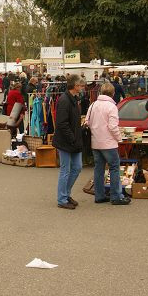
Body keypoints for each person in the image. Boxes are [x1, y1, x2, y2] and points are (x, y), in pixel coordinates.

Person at [87, 82, 128, 205]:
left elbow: (87, 122)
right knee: (114, 168)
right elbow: (112, 126)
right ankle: (116, 196)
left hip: (95, 141)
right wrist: (119, 138)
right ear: (113, 93)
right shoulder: (111, 107)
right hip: (108, 143)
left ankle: (99, 195)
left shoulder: (93, 105)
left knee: (98, 169)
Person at [53, 74, 85, 209]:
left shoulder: (73, 99)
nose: (83, 88)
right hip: (66, 141)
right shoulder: (65, 100)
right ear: (75, 86)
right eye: (81, 85)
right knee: (65, 170)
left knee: (77, 167)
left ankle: (65, 194)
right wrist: (72, 138)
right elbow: (61, 123)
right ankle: (62, 199)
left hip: (73, 140)